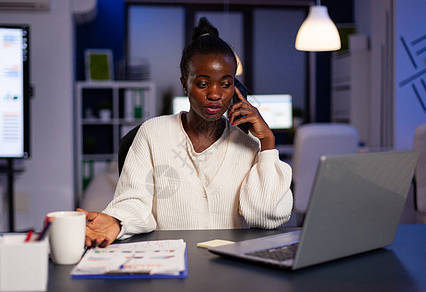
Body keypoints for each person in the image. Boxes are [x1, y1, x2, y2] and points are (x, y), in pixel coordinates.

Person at [78, 17, 293, 247]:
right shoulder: (152, 134)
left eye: (225, 84)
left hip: (232, 267)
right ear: (185, 83)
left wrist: (267, 143)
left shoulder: (249, 143)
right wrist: (117, 222)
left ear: (236, 88)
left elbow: (264, 216)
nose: (214, 94)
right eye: (202, 84)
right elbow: (134, 199)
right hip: (171, 262)